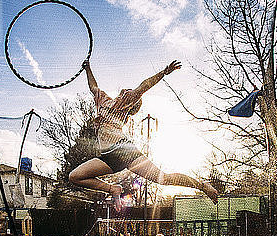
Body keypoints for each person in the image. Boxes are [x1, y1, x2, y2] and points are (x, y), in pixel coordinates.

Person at [69, 60, 219, 210]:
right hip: (108, 157)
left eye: (131, 93)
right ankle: (112, 189)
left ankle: (203, 186)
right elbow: (93, 87)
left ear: (131, 105)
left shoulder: (125, 103)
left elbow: (144, 86)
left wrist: (163, 72)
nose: (127, 91)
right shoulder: (103, 100)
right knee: (75, 176)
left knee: (163, 178)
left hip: (124, 152)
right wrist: (88, 68)